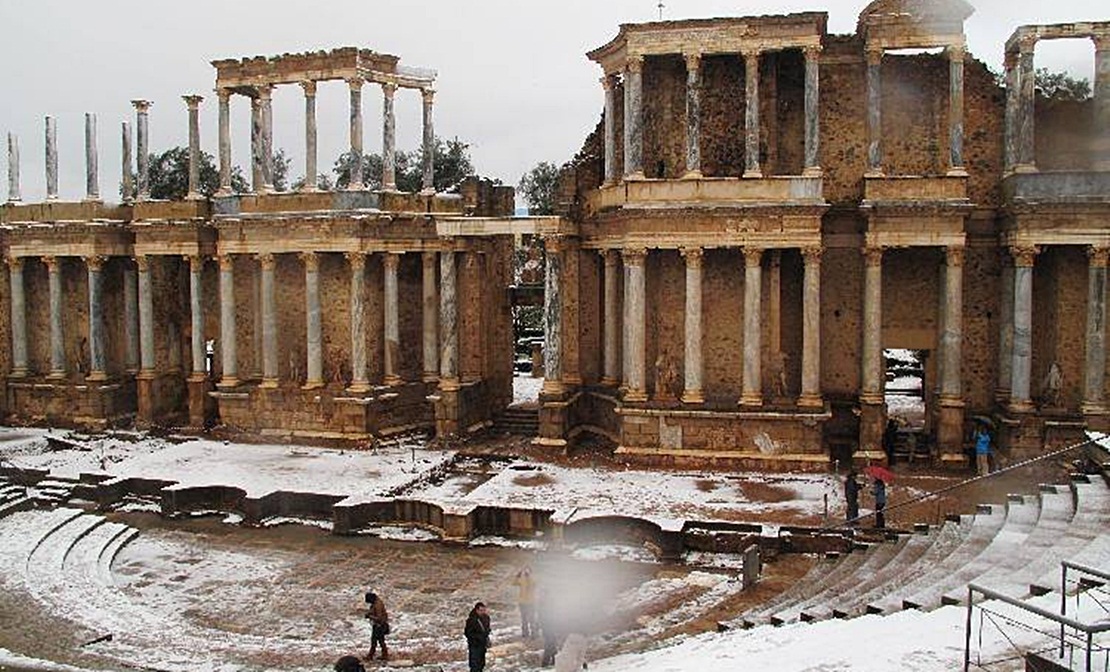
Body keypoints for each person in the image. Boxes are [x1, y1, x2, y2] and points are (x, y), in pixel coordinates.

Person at [464, 601, 492, 672]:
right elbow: (468, 633)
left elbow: (487, 629)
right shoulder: (471, 620)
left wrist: (486, 634)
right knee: (474, 665)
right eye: (481, 610)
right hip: (474, 645)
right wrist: (478, 637)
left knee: (482, 664)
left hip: (482, 644)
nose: (483, 612)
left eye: (484, 610)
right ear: (476, 610)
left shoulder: (486, 618)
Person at [364, 591, 389, 662]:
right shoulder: (377, 602)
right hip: (380, 625)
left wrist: (370, 616)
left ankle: (370, 656)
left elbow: (379, 618)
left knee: (374, 641)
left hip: (379, 626)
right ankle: (384, 654)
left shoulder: (378, 605)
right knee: (380, 641)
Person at [514, 566, 538, 638]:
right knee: (524, 619)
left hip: (531, 602)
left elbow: (533, 583)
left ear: (530, 572)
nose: (526, 573)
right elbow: (513, 583)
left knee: (532, 619)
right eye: (525, 571)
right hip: (522, 602)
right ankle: (525, 633)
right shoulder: (522, 580)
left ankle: (533, 633)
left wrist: (528, 577)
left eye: (527, 571)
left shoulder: (533, 579)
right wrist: (517, 575)